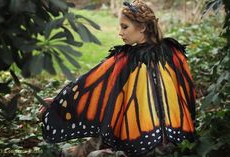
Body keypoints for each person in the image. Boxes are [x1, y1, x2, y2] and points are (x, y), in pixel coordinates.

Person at [39, 0, 196, 156]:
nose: (120, 33)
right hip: (175, 135)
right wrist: (58, 103)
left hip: (139, 138)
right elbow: (188, 95)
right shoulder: (174, 53)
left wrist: (60, 107)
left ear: (142, 27)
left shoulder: (126, 59)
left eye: (124, 27)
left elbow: (91, 88)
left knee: (98, 148)